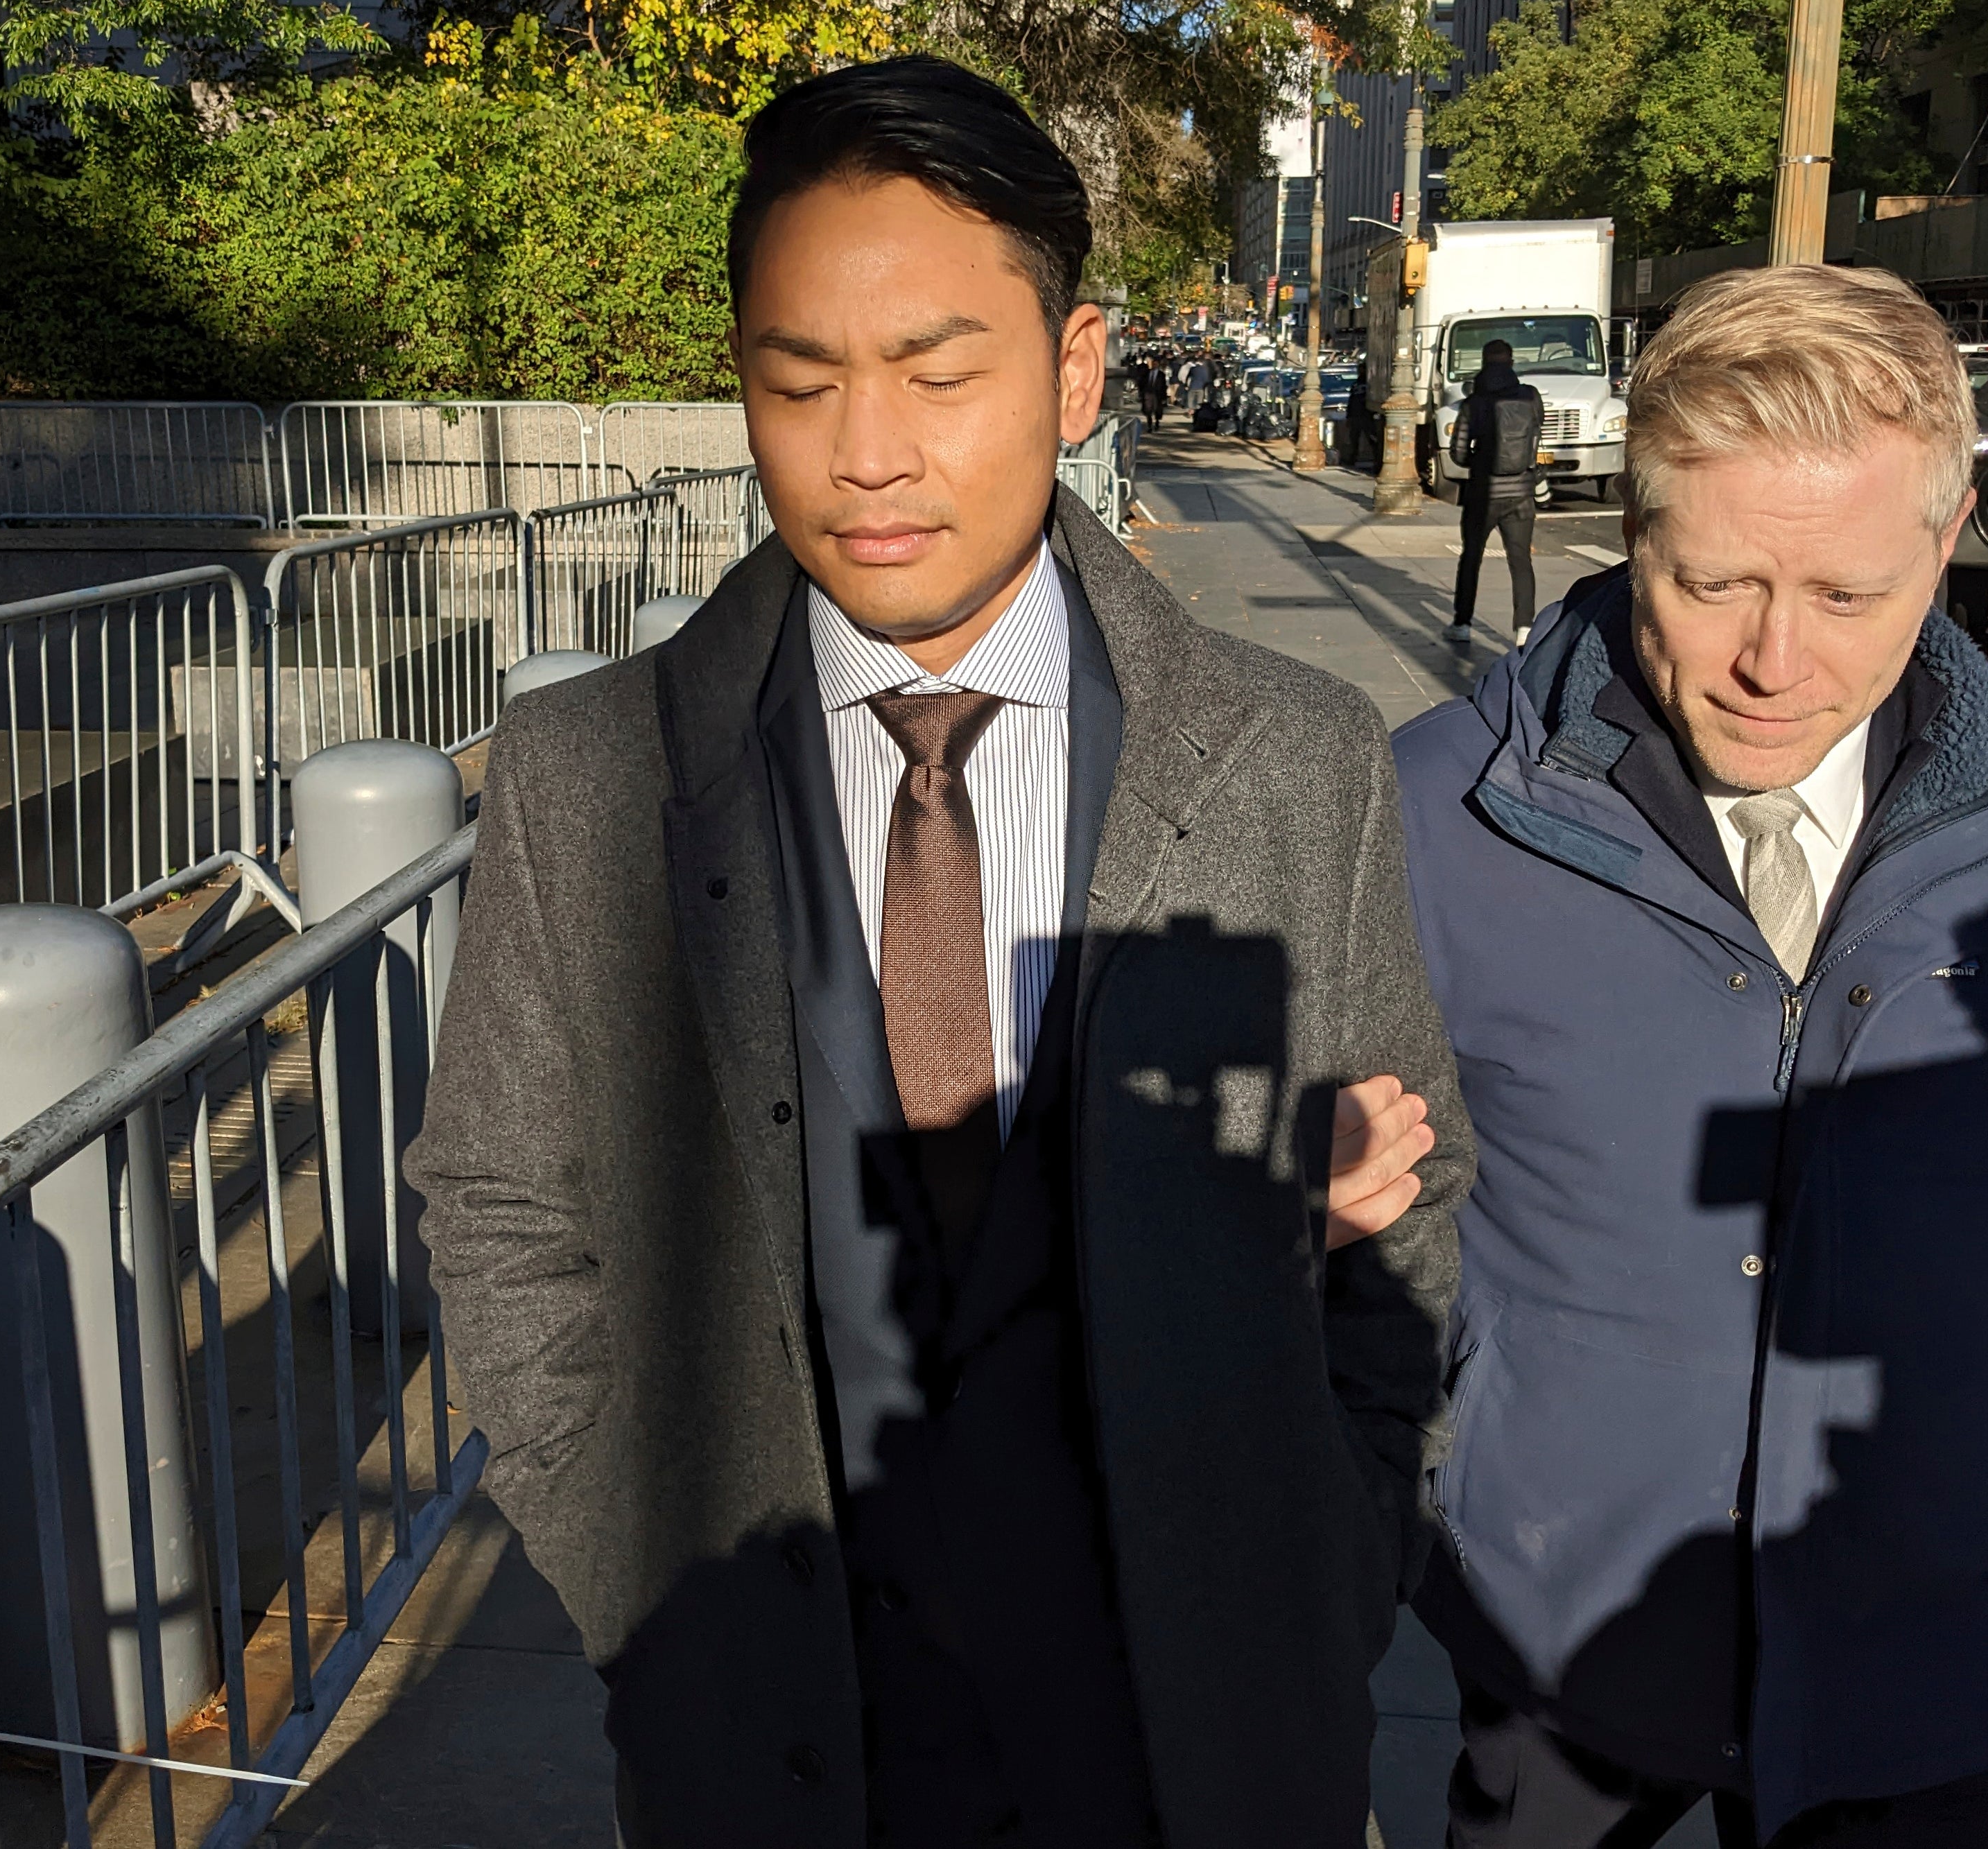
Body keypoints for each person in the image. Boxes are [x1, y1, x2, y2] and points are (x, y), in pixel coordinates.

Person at [405, 54, 1471, 1849]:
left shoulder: (1294, 754)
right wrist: (658, 1608)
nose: (867, 452)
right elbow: (505, 1214)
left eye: (936, 371)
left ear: (1072, 372)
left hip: (1196, 1732)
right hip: (792, 1740)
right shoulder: (594, 784)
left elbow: (1411, 1190)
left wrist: (1339, 1554)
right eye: (800, 378)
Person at [1390, 264, 1988, 1849]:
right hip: (1558, 1651)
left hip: (1929, 1672)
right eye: (1712, 585)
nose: (1775, 661)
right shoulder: (1435, 809)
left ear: (1946, 533)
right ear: (1626, 528)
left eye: (1846, 597)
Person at [1448, 338, 1544, 642]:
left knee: (1471, 557)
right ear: (1512, 361)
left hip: (1483, 492)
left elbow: (1458, 453)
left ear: (1484, 362)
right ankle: (1524, 628)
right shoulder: (1530, 397)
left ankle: (1462, 624)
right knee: (1520, 561)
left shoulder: (1473, 403)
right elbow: (1537, 435)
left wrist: (1478, 463)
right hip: (1521, 493)